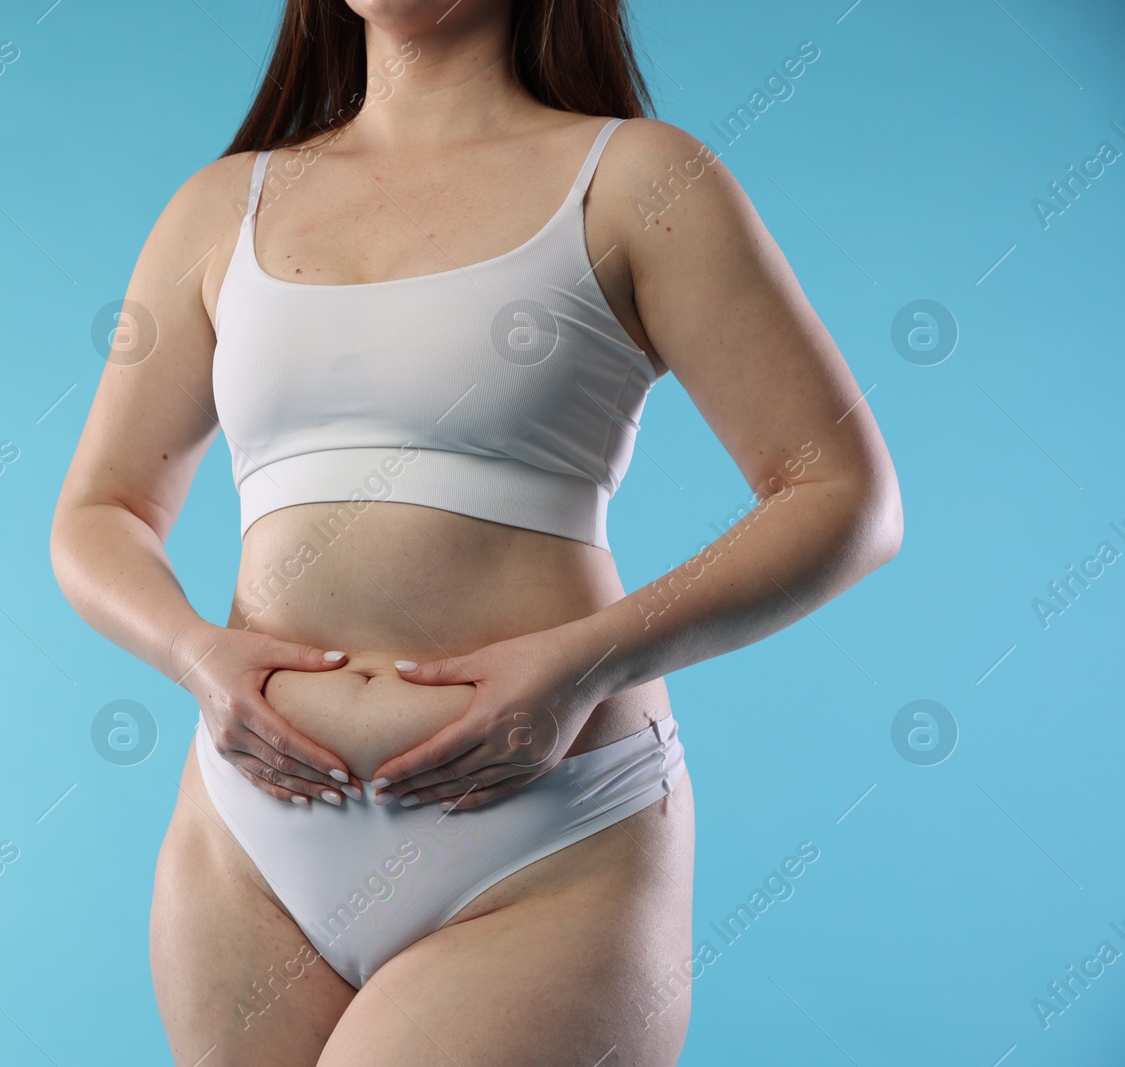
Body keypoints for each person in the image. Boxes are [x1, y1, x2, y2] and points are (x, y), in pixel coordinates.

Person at [50, 1, 903, 1062]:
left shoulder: (635, 180)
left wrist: (576, 666)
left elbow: (841, 495)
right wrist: (195, 654)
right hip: (247, 841)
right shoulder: (221, 207)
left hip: (546, 844)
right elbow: (100, 512)